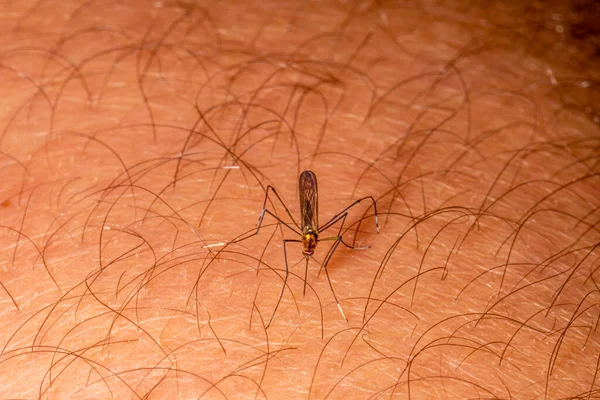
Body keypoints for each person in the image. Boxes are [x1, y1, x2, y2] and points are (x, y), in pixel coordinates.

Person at [0, 1, 598, 398]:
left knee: (353, 207)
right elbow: (296, 232)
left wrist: (342, 235)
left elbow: (330, 229)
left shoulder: (324, 232)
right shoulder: (296, 231)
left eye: (314, 242)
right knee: (283, 214)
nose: (309, 247)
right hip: (300, 213)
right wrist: (282, 230)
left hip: (325, 216)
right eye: (310, 242)